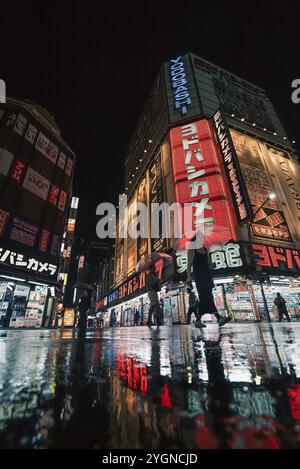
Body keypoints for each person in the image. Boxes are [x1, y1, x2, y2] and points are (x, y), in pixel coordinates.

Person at [187, 246, 231, 328]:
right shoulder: (192, 249)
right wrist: (189, 278)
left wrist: (212, 265)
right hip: (199, 276)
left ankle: (199, 320)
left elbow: (209, 263)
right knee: (205, 296)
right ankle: (218, 318)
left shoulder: (205, 249)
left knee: (207, 296)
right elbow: (189, 265)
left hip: (207, 275)